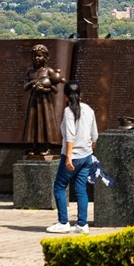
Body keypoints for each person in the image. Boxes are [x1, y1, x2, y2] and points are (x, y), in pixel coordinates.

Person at [46, 80, 98, 234]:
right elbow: (94, 136)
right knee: (81, 189)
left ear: (66, 96)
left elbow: (70, 136)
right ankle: (82, 224)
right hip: (86, 156)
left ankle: (63, 222)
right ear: (80, 94)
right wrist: (88, 151)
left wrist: (68, 157)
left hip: (73, 156)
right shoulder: (89, 110)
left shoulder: (69, 111)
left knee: (59, 186)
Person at [22, 44, 65, 156]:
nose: (37, 58)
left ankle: (44, 147)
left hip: (45, 102)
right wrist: (32, 83)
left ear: (45, 57)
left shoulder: (49, 71)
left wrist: (44, 89)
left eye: (39, 56)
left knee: (44, 122)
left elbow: (54, 90)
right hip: (33, 101)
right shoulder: (30, 72)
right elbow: (25, 87)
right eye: (35, 56)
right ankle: (33, 146)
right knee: (33, 123)